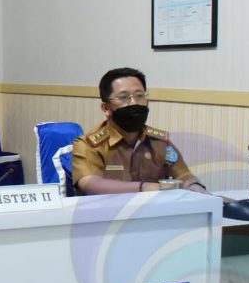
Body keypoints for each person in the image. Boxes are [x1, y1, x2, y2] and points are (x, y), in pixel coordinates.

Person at [72, 67, 206, 195]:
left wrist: (193, 185)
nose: (134, 103)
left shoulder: (159, 142)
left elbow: (183, 174)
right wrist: (143, 187)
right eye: (123, 97)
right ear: (106, 108)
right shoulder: (88, 144)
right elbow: (89, 183)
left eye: (139, 95)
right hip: (107, 209)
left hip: (152, 209)